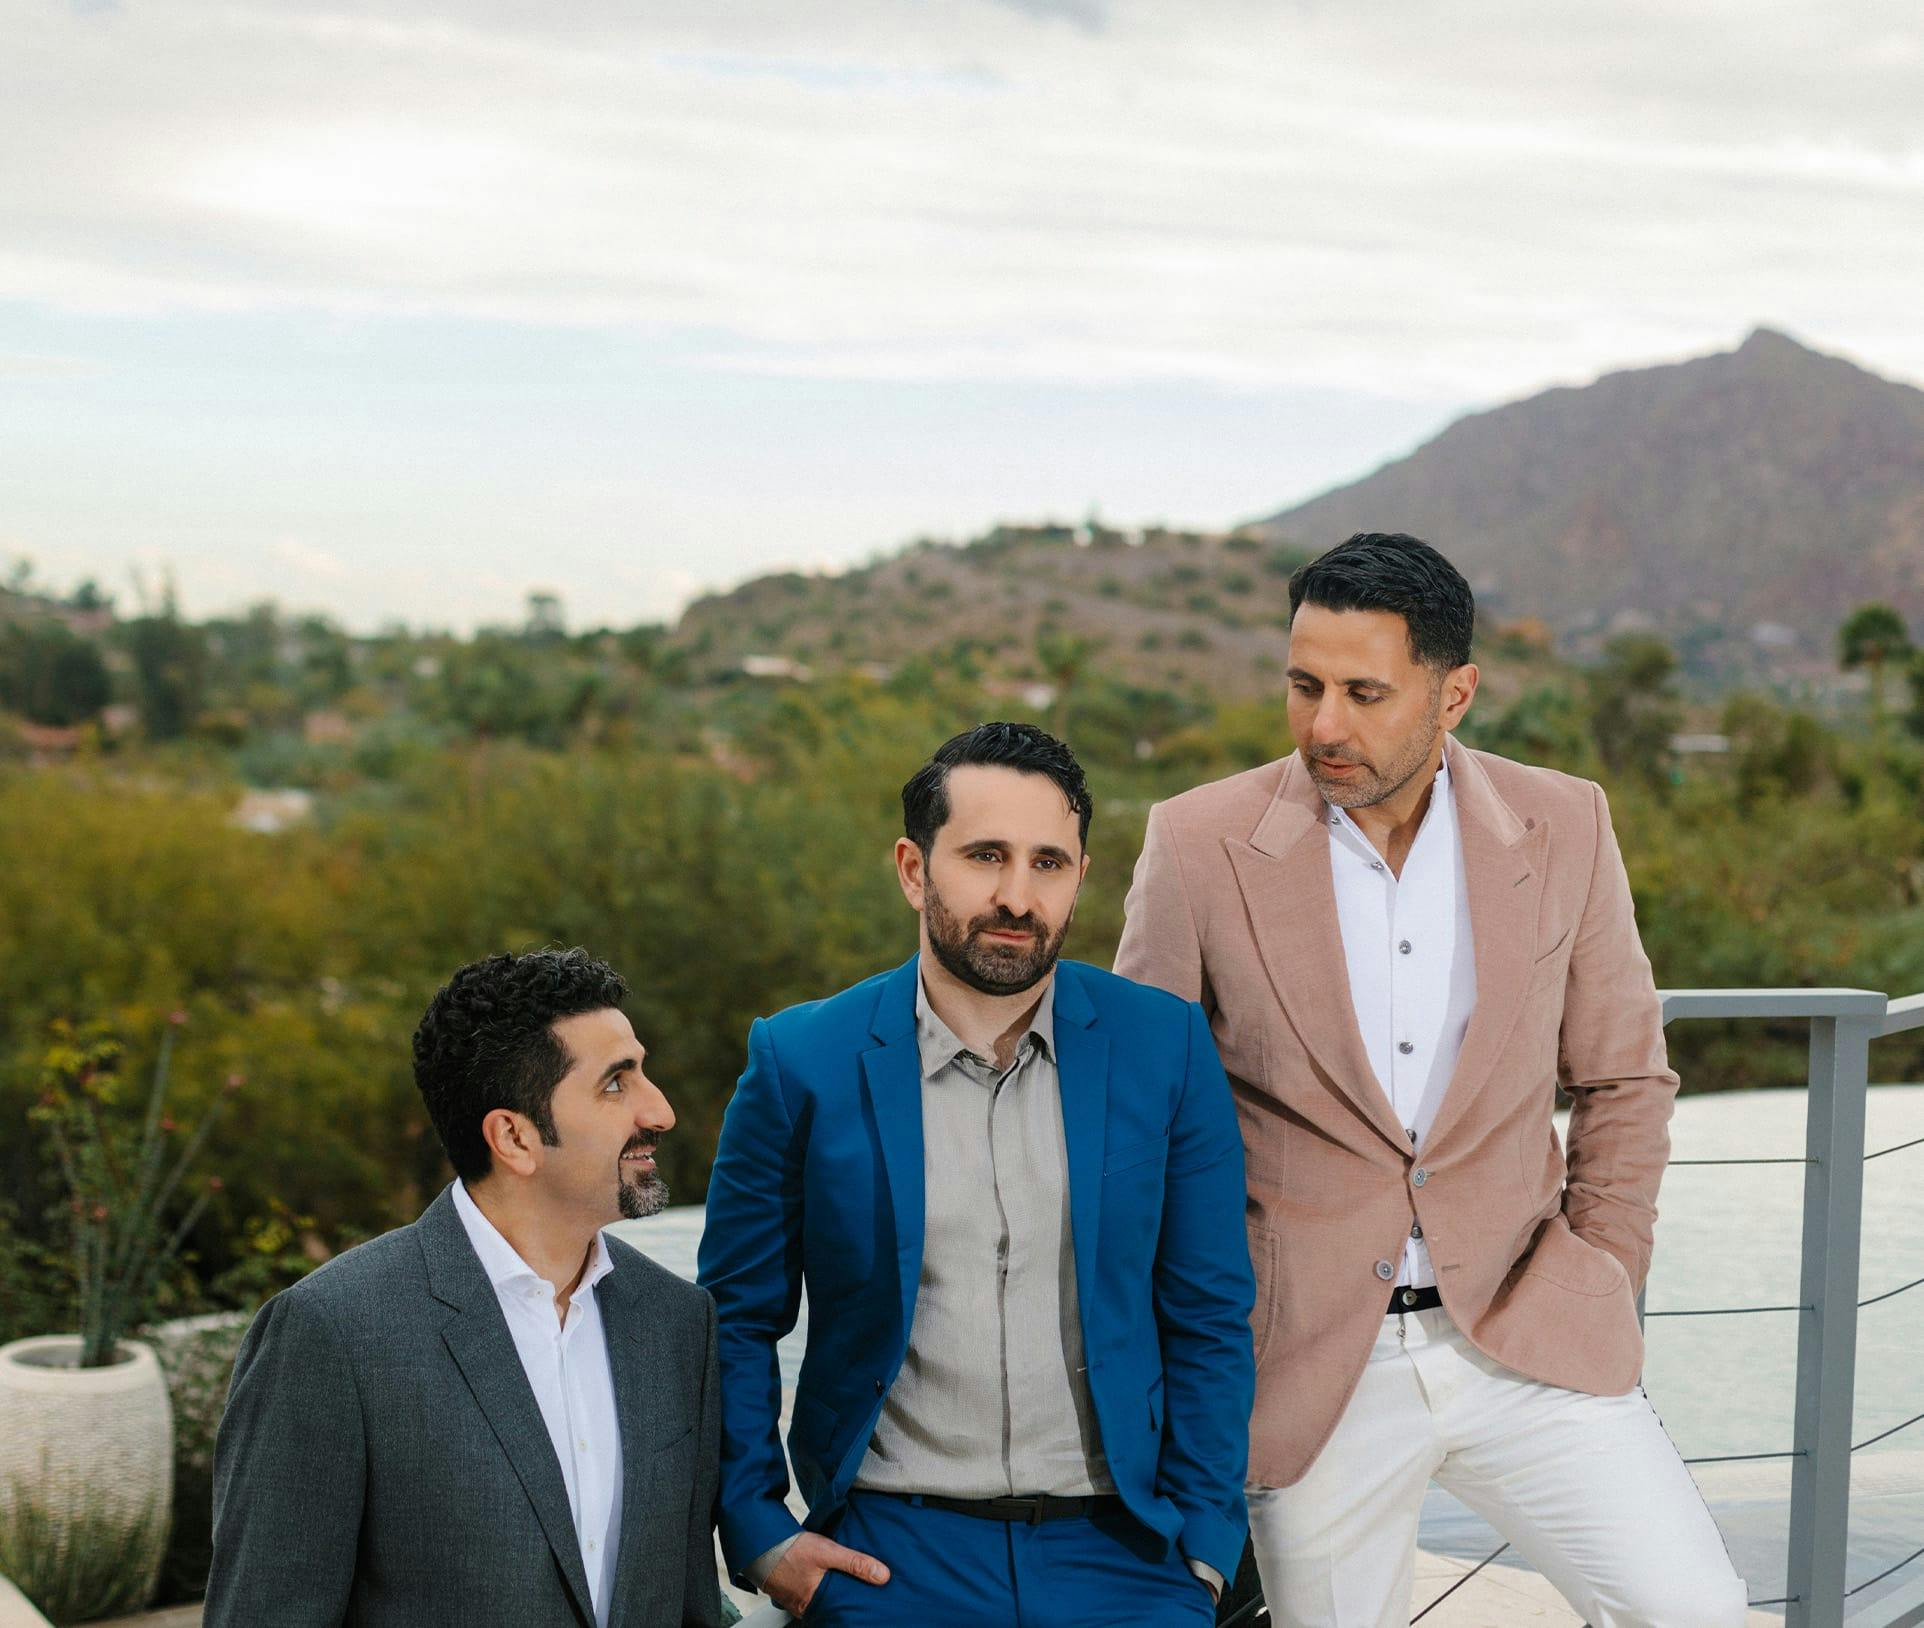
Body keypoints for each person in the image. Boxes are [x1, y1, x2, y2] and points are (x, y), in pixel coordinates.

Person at [1115, 533, 1749, 1628]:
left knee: (1691, 1606)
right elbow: (1136, 1120)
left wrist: (1598, 1268)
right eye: (1303, 685)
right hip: (1305, 1363)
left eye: (1364, 692)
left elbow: (1623, 1078)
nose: (1324, 724)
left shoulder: (1565, 823)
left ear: (1453, 692)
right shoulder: (1197, 841)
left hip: (1525, 1334)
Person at [699, 721, 1254, 1628]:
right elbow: (735, 1315)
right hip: (890, 1558)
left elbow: (1208, 1312)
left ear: (1080, 874)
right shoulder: (801, 1058)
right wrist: (763, 1532)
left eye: (1048, 863)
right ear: (915, 870)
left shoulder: (1165, 1046)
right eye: (985, 856)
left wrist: (1202, 1550)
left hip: (1125, 1560)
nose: (1015, 896)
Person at [205, 948, 725, 1628]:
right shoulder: (330, 1335)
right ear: (513, 1137)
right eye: (614, 1085)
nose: (659, 1111)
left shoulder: (678, 1321)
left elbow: (689, 1605)